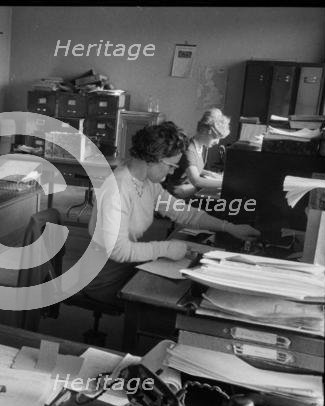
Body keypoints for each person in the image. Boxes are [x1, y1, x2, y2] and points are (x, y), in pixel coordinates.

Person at [83, 121, 260, 306]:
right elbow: (118, 251)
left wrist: (229, 227)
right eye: (171, 166)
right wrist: (166, 248)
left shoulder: (146, 182)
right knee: (171, 299)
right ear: (153, 159)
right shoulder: (118, 189)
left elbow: (183, 213)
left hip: (126, 266)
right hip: (103, 278)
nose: (172, 171)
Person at [164, 108, 230, 199]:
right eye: (215, 138)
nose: (217, 142)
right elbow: (196, 180)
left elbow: (191, 167)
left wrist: (210, 174)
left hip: (190, 191)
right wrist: (226, 183)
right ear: (205, 132)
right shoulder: (189, 150)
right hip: (178, 196)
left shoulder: (201, 147)